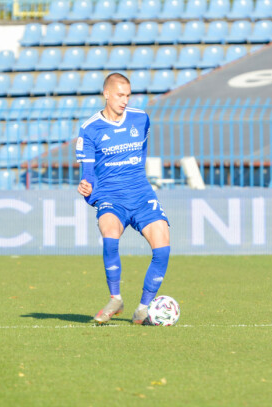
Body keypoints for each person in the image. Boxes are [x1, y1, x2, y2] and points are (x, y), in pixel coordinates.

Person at [76, 73, 170, 325]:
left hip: (140, 193)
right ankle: (115, 298)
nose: (125, 100)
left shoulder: (141, 119)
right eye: (120, 95)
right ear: (106, 94)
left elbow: (141, 152)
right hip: (110, 195)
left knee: (162, 247)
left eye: (128, 95)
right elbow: (88, 174)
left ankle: (142, 309)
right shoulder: (89, 129)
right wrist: (87, 188)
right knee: (109, 234)